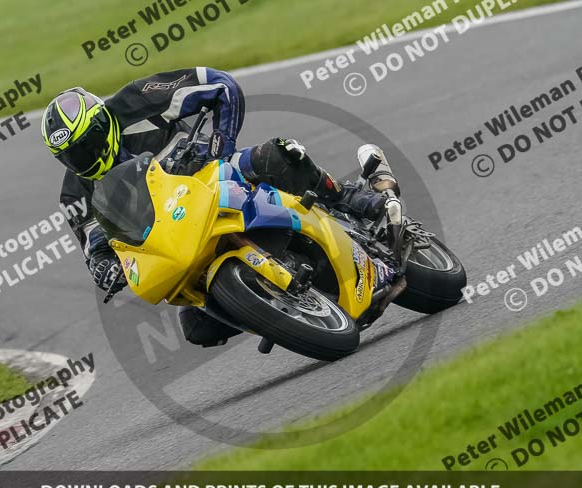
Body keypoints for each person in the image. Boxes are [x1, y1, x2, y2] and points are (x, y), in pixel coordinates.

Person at [41, 67, 386, 347]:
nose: (83, 157)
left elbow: (221, 84)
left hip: (212, 174)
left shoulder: (137, 100)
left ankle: (345, 198)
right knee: (198, 328)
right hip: (177, 234)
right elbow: (95, 248)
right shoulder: (74, 196)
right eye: (71, 155)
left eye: (87, 143)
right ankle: (274, 311)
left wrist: (221, 145)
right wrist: (104, 268)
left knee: (275, 154)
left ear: (102, 122)